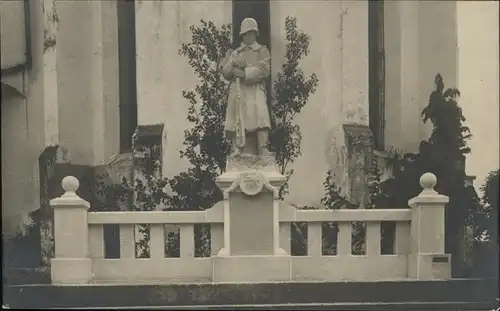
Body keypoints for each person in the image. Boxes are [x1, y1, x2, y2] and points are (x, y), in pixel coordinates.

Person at [221, 17, 272, 157]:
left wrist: (244, 73)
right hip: (239, 91)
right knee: (237, 118)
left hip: (255, 89)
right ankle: (237, 148)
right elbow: (225, 73)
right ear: (243, 35)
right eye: (248, 33)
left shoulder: (262, 50)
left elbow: (264, 70)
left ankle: (263, 147)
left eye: (253, 33)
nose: (251, 35)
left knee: (261, 115)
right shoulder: (236, 53)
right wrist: (232, 62)